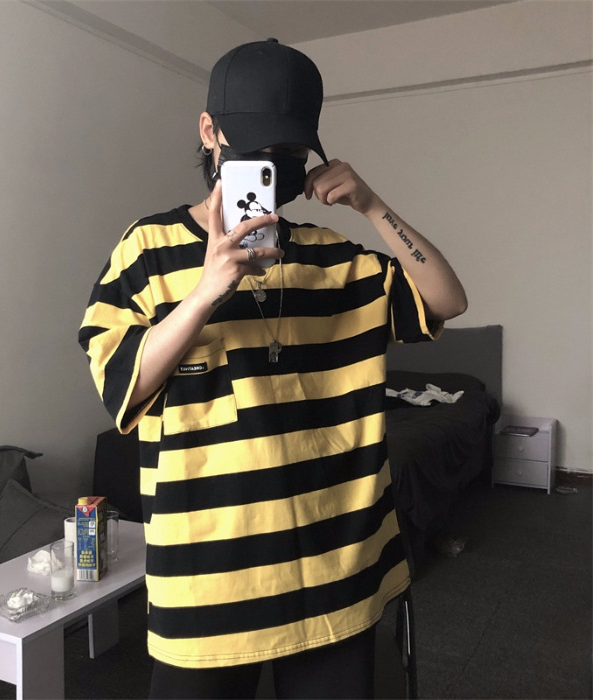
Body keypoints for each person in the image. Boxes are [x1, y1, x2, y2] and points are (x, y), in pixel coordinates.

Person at [79, 38, 467, 699]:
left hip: (337, 574)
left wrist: (373, 206)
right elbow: (122, 385)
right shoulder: (146, 250)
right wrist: (206, 291)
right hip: (206, 587)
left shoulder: (335, 258)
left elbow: (447, 300)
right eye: (257, 146)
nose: (273, 165)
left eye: (289, 151)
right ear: (210, 132)